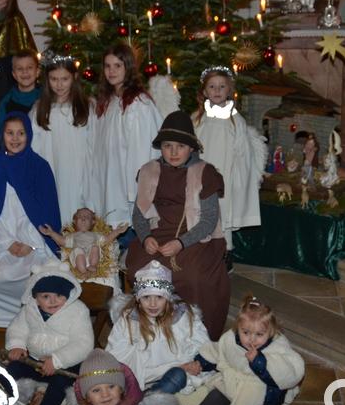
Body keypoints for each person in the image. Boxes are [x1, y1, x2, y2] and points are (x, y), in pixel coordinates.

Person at [125, 111, 229, 341]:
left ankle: (195, 336)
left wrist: (181, 243)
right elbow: (139, 214)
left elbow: (209, 219)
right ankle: (152, 330)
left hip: (194, 236)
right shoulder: (148, 170)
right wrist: (145, 238)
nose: (173, 152)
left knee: (194, 277)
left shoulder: (205, 172)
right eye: (167, 145)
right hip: (157, 233)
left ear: (191, 148)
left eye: (180, 146)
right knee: (139, 272)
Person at [0, 111, 61, 328]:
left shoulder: (40, 167)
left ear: (28, 135)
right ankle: (0, 326)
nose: (15, 138)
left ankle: (37, 325)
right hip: (3, 243)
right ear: (2, 135)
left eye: (21, 133)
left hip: (36, 243)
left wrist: (30, 243)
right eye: (10, 133)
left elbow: (46, 213)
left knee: (40, 279)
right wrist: (9, 243)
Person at [180, 295, 305, 405]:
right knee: (215, 396)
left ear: (271, 331)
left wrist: (259, 362)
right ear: (237, 327)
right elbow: (218, 351)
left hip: (263, 401)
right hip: (234, 390)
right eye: (245, 332)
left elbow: (288, 372)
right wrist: (200, 362)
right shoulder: (231, 339)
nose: (252, 339)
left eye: (259, 334)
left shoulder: (277, 346)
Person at [4, 260, 94, 405]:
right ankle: (7, 403)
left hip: (66, 363)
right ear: (35, 298)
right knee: (12, 370)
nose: (53, 301)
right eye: (46, 296)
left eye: (59, 296)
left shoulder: (78, 311)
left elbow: (84, 343)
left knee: (60, 385)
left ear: (68, 295)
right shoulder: (29, 310)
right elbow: (18, 328)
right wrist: (17, 344)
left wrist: (57, 360)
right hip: (34, 359)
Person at [193, 66, 267, 267]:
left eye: (222, 86)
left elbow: (242, 154)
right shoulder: (198, 119)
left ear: (229, 90)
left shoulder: (236, 121)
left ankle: (225, 255)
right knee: (201, 213)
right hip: (201, 177)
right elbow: (191, 147)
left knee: (223, 215)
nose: (217, 90)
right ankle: (200, 252)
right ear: (205, 91)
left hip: (225, 178)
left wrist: (236, 182)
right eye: (212, 86)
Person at [87, 43, 163, 237]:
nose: (111, 71)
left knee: (129, 228)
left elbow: (143, 148)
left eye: (117, 66)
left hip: (127, 182)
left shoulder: (138, 104)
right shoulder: (108, 101)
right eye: (107, 66)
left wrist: (137, 189)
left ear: (128, 68)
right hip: (110, 179)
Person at [106, 260, 210, 394]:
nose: (153, 304)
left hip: (175, 377)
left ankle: (148, 401)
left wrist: (193, 365)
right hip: (140, 381)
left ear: (167, 298)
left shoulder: (183, 318)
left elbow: (202, 348)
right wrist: (176, 367)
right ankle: (146, 400)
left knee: (178, 377)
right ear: (138, 299)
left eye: (159, 297)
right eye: (146, 297)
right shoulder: (129, 322)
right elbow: (120, 362)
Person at [30, 51, 95, 226]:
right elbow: (33, 146)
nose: (59, 85)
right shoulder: (39, 110)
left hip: (78, 174)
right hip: (51, 170)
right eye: (53, 79)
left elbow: (93, 145)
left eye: (64, 79)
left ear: (74, 77)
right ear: (47, 79)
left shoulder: (86, 108)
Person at [59, 348, 177, 405]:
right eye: (96, 390)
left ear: (121, 388)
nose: (105, 394)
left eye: (111, 386)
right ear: (86, 396)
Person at [39, 208, 127, 277]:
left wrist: (117, 232)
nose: (83, 218)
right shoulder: (73, 236)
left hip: (91, 256)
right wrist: (51, 233)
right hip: (78, 258)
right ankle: (82, 270)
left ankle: (93, 266)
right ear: (75, 221)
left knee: (95, 247)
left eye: (87, 217)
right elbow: (62, 241)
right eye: (80, 217)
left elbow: (107, 239)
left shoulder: (96, 235)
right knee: (77, 250)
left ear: (93, 222)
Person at [0, 50, 41, 131]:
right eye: (20, 68)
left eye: (29, 67)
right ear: (14, 75)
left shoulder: (46, 98)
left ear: (37, 72)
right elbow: (1, 133)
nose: (25, 71)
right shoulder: (7, 101)